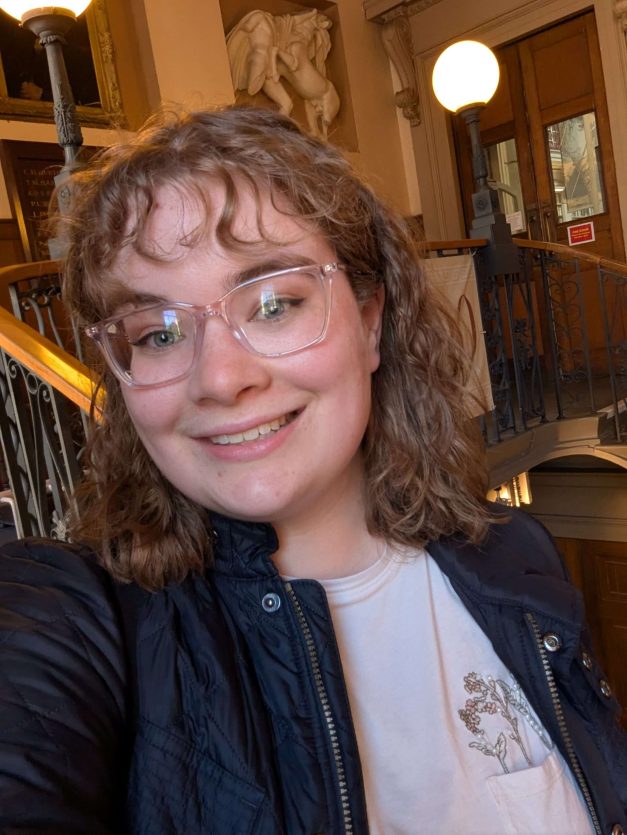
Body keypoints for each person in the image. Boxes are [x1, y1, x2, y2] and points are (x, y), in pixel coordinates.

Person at [0, 106, 625, 835]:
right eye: (158, 332)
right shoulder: (82, 618)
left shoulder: (513, 552)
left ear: (368, 320)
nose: (220, 377)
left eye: (273, 303)